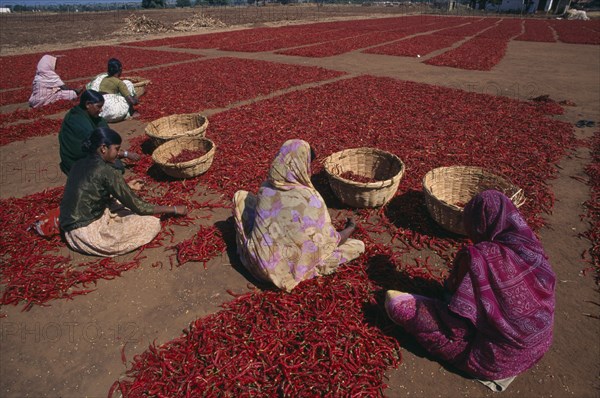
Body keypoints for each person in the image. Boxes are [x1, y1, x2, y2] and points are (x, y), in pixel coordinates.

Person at [385, 190, 555, 392]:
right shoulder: (530, 246)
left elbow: (453, 304)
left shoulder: (479, 257)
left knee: (397, 304)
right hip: (538, 347)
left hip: (495, 360)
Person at [232, 139, 365, 292]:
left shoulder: (265, 189)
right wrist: (350, 227)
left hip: (255, 264)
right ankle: (297, 271)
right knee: (357, 246)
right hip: (281, 274)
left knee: (241, 196)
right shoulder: (310, 198)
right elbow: (331, 242)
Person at [59, 127, 188, 257]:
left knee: (118, 202)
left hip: (70, 226)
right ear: (104, 148)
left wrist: (128, 187)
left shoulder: (79, 163)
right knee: (151, 223)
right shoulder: (107, 171)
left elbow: (92, 189)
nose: (119, 153)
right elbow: (139, 206)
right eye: (117, 149)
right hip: (87, 233)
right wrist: (174, 209)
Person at [58, 89, 139, 175]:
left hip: (90, 155)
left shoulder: (89, 116)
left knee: (101, 121)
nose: (101, 110)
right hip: (75, 162)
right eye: (98, 106)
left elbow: (107, 137)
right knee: (116, 168)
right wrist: (124, 154)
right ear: (88, 104)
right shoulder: (76, 120)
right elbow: (91, 148)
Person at [87, 58, 138, 122]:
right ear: (120, 70)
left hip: (102, 111)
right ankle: (132, 112)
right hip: (114, 111)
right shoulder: (119, 83)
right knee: (128, 83)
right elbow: (131, 101)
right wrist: (136, 99)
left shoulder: (104, 79)